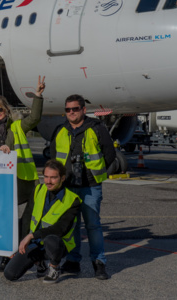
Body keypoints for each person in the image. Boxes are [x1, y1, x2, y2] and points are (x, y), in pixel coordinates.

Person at [0, 76, 46, 273]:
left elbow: (35, 118)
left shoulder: (17, 126)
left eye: (0, 110)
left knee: (9, 221)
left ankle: (7, 257)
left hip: (19, 180)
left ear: (6, 109)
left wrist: (37, 95)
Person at [50, 94, 115, 280]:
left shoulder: (96, 128)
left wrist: (96, 173)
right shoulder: (61, 129)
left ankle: (99, 263)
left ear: (83, 110)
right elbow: (54, 157)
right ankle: (73, 261)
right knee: (72, 226)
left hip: (90, 186)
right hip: (68, 186)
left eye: (75, 109)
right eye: (68, 109)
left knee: (93, 226)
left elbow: (109, 153)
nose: (71, 112)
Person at [3, 160, 82, 284]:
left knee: (51, 239)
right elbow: (27, 218)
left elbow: (61, 229)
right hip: (35, 243)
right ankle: (39, 263)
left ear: (62, 178)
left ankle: (54, 267)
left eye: (53, 178)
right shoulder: (38, 190)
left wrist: (32, 235)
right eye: (46, 177)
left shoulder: (73, 200)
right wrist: (20, 244)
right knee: (10, 274)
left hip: (57, 245)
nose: (48, 181)